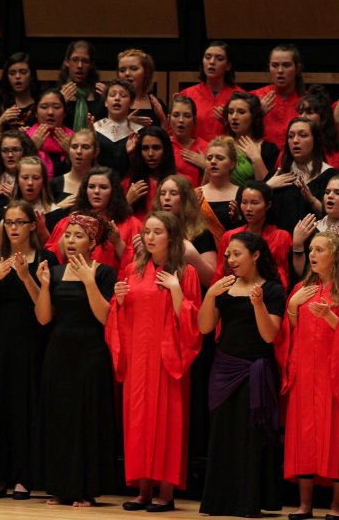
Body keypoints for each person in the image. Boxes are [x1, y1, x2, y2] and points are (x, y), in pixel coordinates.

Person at [108, 211, 202, 512]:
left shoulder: (184, 273)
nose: (149, 237)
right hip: (137, 357)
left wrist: (175, 290)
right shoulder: (132, 270)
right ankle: (143, 488)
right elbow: (118, 316)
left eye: (156, 232)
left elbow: (192, 321)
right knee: (138, 423)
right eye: (146, 231)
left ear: (171, 236)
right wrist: (119, 300)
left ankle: (166, 491)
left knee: (167, 424)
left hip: (167, 359)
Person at [282, 231, 339, 520]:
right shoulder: (301, 287)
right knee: (304, 437)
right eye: (311, 250)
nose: (313, 255)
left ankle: (337, 505)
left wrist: (331, 318)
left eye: (320, 249)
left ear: (335, 255)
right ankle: (305, 504)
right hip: (306, 371)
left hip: (337, 374)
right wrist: (293, 306)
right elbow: (290, 332)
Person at [198, 232, 285, 517]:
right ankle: (219, 501)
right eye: (228, 256)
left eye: (237, 254)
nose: (231, 260)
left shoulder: (272, 289)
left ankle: (247, 502)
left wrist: (258, 304)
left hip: (255, 369)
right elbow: (205, 328)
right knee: (222, 432)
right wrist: (210, 294)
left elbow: (270, 335)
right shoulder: (223, 287)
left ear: (256, 254)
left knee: (249, 436)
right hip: (224, 367)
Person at [0, 201, 58, 501]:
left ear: (31, 225)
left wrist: (26, 277)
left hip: (32, 340)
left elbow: (43, 312)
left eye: (19, 222)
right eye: (9, 222)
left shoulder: (46, 258)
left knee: (26, 406)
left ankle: (24, 477)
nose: (13, 228)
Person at [35, 212, 117, 506]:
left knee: (86, 420)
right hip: (58, 354)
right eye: (68, 235)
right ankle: (59, 487)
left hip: (90, 354)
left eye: (78, 236)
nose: (70, 241)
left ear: (92, 242)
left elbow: (106, 317)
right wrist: (44, 285)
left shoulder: (104, 272)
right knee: (59, 419)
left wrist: (89, 282)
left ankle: (85, 490)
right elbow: (44, 318)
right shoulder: (55, 272)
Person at [45, 167, 140, 273]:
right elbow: (50, 260)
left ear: (114, 191)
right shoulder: (68, 222)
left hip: (112, 285)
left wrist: (117, 242)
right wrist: (68, 236)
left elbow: (138, 265)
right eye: (91, 187)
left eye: (103, 187)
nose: (96, 191)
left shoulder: (131, 224)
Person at [266, 117, 336, 234]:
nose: (295, 141)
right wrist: (267, 188)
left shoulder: (331, 177)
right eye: (291, 136)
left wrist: (312, 200)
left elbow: (336, 218)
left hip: (316, 245)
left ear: (316, 140)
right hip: (279, 244)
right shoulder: (275, 176)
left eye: (303, 135)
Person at [153, 175, 218, 287]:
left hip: (190, 297)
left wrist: (192, 256)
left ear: (185, 199)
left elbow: (211, 281)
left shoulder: (201, 234)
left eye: (173, 193)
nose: (167, 198)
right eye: (162, 194)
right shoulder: (151, 232)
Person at [179, 41, 240, 143]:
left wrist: (227, 123)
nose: (212, 62)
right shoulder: (187, 94)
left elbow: (248, 135)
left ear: (228, 65)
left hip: (228, 154)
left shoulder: (240, 97)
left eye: (219, 59)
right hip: (193, 153)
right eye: (207, 57)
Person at [222, 91, 281, 186]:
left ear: (254, 117)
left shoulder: (269, 150)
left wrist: (256, 158)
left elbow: (269, 189)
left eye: (241, 112)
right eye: (230, 112)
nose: (234, 117)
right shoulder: (221, 145)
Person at [252, 44, 304, 149]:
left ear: (297, 68)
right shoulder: (254, 97)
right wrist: (256, 115)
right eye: (275, 65)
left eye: (286, 65)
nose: (280, 70)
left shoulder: (307, 102)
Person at [198, 137, 244, 247]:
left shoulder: (242, 194)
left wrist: (239, 220)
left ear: (232, 164)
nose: (213, 162)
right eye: (209, 158)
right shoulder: (196, 194)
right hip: (200, 257)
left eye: (219, 158)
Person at [124, 126, 176, 221]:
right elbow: (117, 223)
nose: (150, 153)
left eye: (156, 148)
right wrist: (127, 202)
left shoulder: (180, 182)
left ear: (166, 150)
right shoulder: (129, 184)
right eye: (145, 148)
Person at [58, 40, 106, 129]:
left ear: (91, 64)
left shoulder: (99, 93)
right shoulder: (57, 93)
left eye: (85, 61)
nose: (79, 65)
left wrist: (108, 102)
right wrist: (59, 104)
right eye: (75, 60)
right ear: (67, 62)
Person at [297, 89, 339, 170]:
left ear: (323, 119)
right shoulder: (292, 150)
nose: (302, 117)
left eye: (309, 112)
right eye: (300, 112)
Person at [28, 89, 74, 178]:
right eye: (44, 107)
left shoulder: (74, 140)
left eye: (56, 107)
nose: (50, 112)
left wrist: (72, 151)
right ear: (36, 113)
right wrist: (32, 150)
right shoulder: (26, 139)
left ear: (64, 113)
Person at [117, 48, 167, 127]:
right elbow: (98, 136)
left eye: (133, 69)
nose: (127, 73)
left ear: (146, 72)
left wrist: (163, 119)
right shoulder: (111, 102)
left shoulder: (157, 104)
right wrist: (125, 125)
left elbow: (165, 137)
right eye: (122, 70)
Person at [167, 95, 208, 189]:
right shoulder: (162, 146)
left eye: (187, 116)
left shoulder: (206, 148)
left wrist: (206, 166)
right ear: (168, 119)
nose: (181, 120)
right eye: (176, 115)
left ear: (195, 120)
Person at [0, 52, 40, 129]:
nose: (17, 76)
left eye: (23, 72)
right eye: (12, 73)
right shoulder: (0, 104)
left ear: (32, 75)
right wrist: (1, 121)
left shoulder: (40, 104)